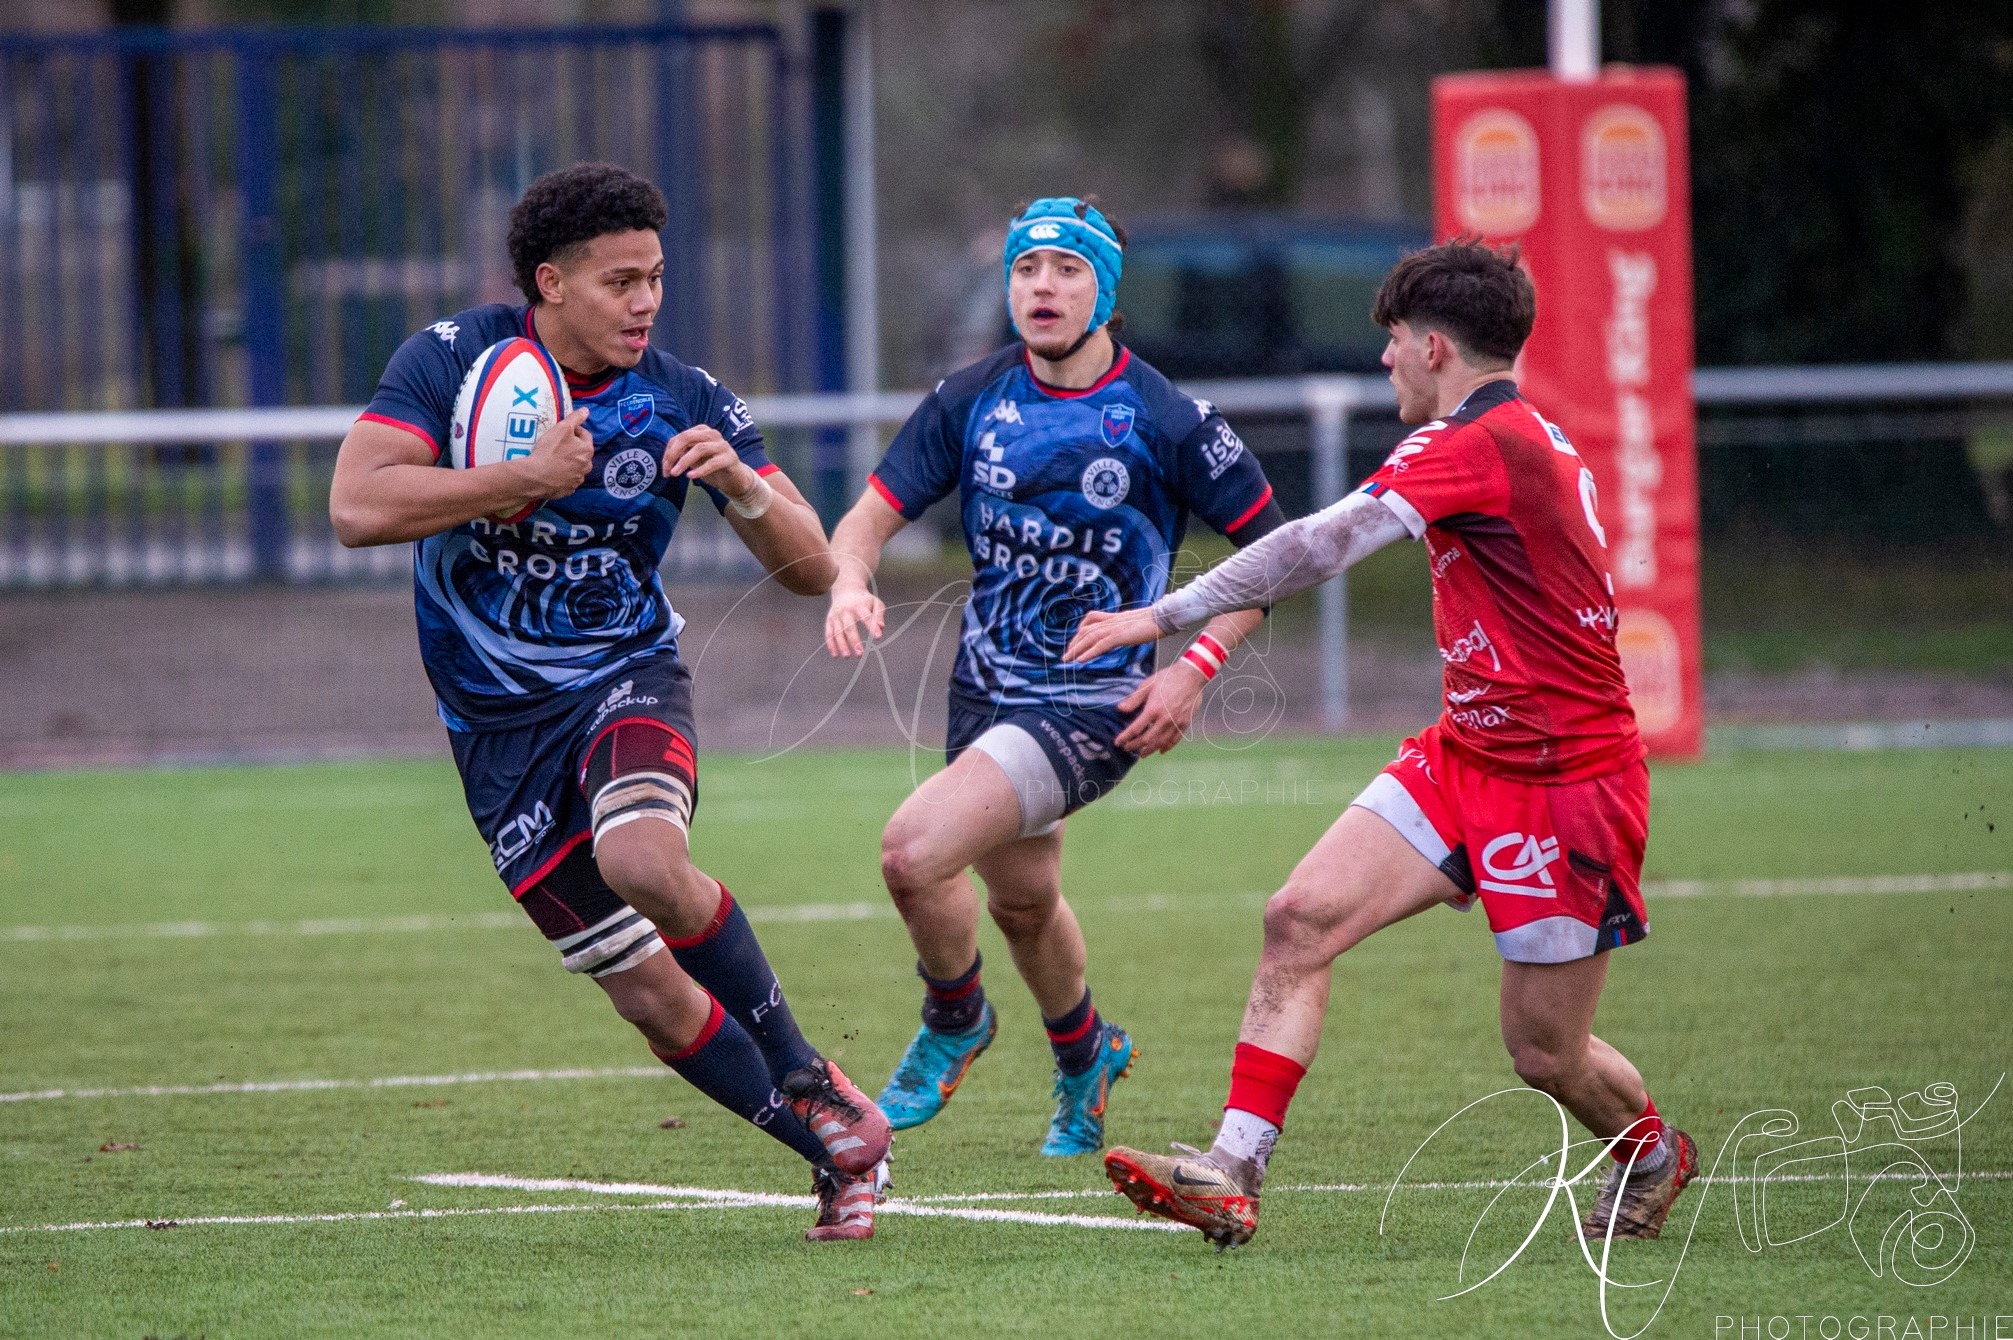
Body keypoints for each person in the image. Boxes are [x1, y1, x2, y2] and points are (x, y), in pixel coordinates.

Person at [1064, 239, 1695, 1247]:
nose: (1386, 363)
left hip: (1566, 781)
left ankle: (1651, 1148)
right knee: (1300, 915)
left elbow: (1321, 543)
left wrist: (1167, 612)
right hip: (1467, 756)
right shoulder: (1491, 437)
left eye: (1394, 344)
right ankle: (1233, 1168)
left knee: (1543, 1050)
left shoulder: (1477, 443)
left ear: (1434, 345)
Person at [328, 162, 891, 1242]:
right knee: (650, 995)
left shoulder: (682, 395)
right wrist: (519, 478)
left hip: (626, 673)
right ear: (551, 283)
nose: (646, 302)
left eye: (657, 277)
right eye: (621, 280)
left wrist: (744, 487)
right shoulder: (453, 362)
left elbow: (816, 567)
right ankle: (833, 1146)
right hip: (494, 732)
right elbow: (358, 505)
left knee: (643, 858)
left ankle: (805, 1066)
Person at [823, 197, 1287, 1155]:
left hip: (1093, 702)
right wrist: (848, 583)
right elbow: (866, 517)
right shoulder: (969, 396)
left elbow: (1273, 558)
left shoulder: (1166, 417)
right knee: (1023, 904)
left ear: (1104, 292)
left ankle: (956, 1018)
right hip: (985, 687)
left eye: (1067, 270)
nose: (1043, 286)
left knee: (912, 854)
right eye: (1027, 269)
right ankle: (1087, 1055)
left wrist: (1191, 670)